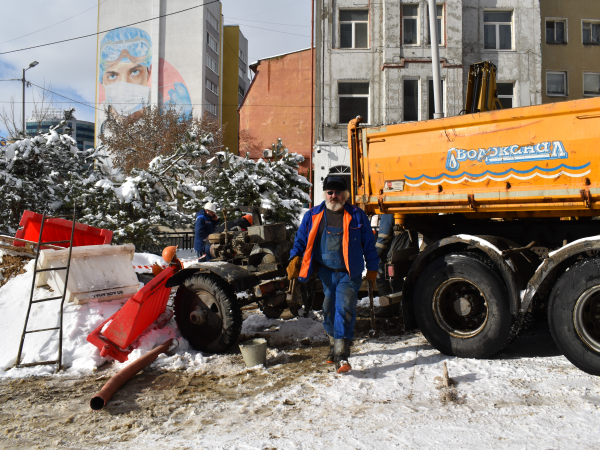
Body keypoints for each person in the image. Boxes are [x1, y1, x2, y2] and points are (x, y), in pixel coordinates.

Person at [287, 176, 379, 373]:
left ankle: (342, 355)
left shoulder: (357, 215)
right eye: (330, 192)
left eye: (338, 192)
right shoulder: (312, 215)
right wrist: (294, 258)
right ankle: (332, 345)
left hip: (349, 272)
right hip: (326, 273)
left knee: (344, 308)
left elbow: (369, 246)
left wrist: (372, 269)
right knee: (328, 309)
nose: (333, 196)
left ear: (345, 194)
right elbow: (301, 240)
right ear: (325, 194)